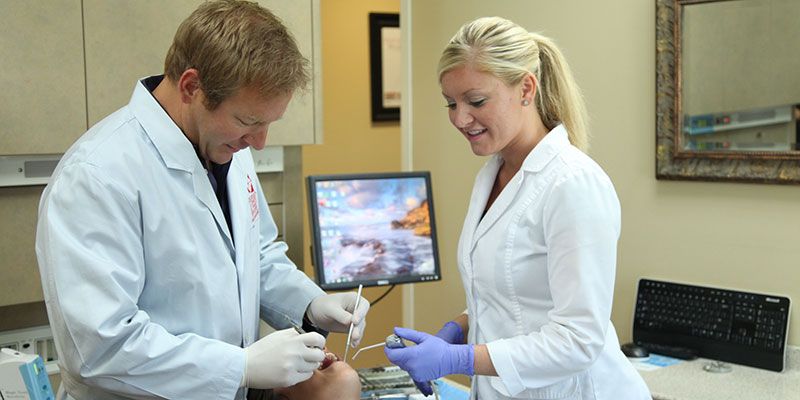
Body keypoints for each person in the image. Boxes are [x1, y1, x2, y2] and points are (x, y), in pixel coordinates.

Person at [34, 1, 369, 399]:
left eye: (267, 124)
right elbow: (98, 348)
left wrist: (310, 303)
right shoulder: (97, 175)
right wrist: (239, 366)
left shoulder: (228, 149)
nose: (259, 143)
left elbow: (254, 257)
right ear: (192, 86)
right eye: (249, 121)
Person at [384, 16, 651, 399]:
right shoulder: (493, 174)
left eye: (476, 101)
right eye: (451, 103)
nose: (460, 118)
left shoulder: (572, 183)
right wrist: (460, 326)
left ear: (526, 88)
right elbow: (515, 296)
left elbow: (579, 339)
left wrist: (459, 358)